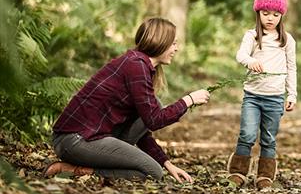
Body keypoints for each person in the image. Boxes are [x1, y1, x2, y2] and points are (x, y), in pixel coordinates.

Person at [45, 17, 210, 182]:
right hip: (75, 141)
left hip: (89, 138)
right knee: (152, 172)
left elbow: (143, 131)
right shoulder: (135, 66)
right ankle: (76, 169)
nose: (177, 48)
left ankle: (87, 167)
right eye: (173, 43)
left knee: (156, 108)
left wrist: (167, 163)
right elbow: (154, 120)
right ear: (160, 41)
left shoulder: (138, 65)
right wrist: (188, 100)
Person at [226, 0, 297, 189]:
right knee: (247, 133)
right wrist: (250, 61)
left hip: (275, 98)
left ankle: (265, 175)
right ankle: (238, 171)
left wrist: (291, 94)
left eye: (275, 14)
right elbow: (241, 55)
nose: (270, 18)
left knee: (268, 137)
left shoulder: (286, 40)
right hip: (253, 96)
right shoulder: (252, 36)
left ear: (281, 15)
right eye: (266, 13)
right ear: (258, 12)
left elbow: (292, 68)